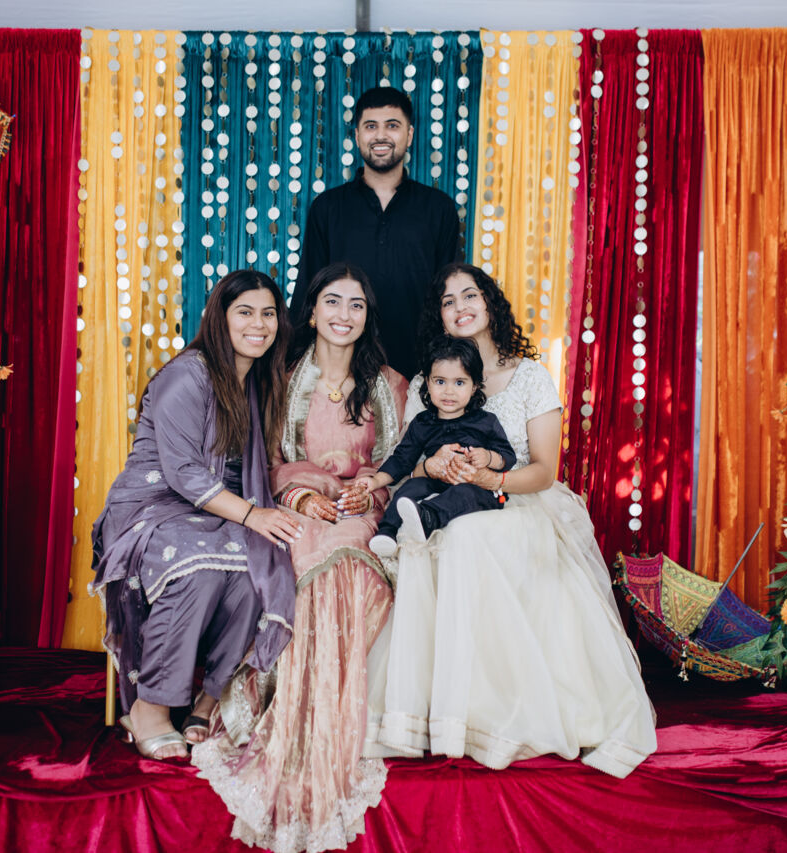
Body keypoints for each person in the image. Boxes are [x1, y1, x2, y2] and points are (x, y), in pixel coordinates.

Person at [366, 262, 659, 777]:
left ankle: (496, 715)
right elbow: (410, 456)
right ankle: (433, 715)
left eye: (469, 295)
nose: (460, 307)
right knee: (432, 532)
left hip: (516, 500)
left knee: (467, 535)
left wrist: (490, 478)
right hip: (439, 497)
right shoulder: (428, 381)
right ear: (439, 316)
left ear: (489, 303)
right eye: (448, 301)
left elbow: (544, 470)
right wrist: (433, 467)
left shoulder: (528, 376)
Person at [192, 264, 408, 853]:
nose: (344, 315)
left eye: (356, 305)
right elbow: (264, 461)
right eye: (332, 302)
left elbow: (398, 463)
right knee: (301, 550)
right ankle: (290, 718)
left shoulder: (391, 385)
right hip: (296, 506)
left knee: (347, 557)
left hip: (363, 514)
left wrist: (369, 492)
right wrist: (301, 495)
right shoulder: (281, 379)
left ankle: (331, 723)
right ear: (310, 312)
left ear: (367, 316)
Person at [91, 270, 301, 761]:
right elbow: (183, 472)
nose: (259, 324)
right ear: (219, 318)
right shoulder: (188, 373)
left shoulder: (258, 381)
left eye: (268, 313)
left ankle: (208, 701)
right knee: (199, 569)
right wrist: (253, 516)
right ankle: (150, 708)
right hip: (153, 505)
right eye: (245, 312)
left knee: (257, 569)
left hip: (217, 511)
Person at [292, 86, 461, 380]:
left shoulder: (439, 208)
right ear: (357, 136)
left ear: (409, 134)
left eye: (392, 125)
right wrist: (293, 368)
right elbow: (309, 291)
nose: (381, 135)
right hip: (340, 375)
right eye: (371, 126)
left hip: (421, 372)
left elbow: (452, 295)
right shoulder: (328, 207)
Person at [358, 335, 515, 557]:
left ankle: (428, 517)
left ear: (474, 386)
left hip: (476, 485)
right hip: (436, 480)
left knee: (464, 493)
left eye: (459, 383)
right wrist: (375, 481)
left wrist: (488, 457)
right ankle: (387, 532)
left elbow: (508, 456)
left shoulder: (485, 421)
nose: (449, 391)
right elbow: (402, 459)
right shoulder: (422, 423)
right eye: (440, 381)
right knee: (410, 488)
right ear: (428, 383)